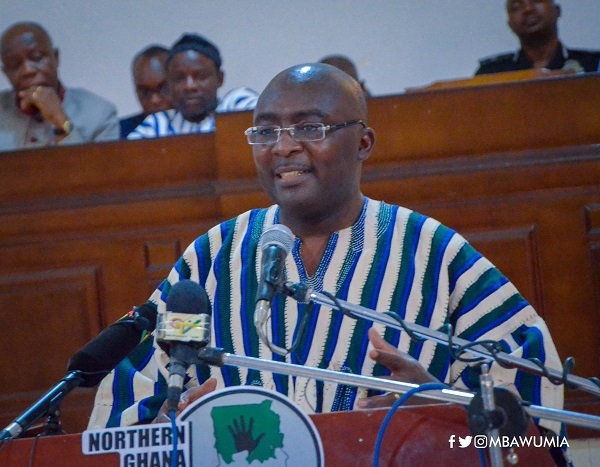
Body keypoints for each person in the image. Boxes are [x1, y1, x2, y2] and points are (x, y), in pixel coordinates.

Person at [89, 64, 564, 445]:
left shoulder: (433, 252)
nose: (284, 147)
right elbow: (130, 409)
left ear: (363, 143)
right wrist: (167, 428)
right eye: (265, 132)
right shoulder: (213, 256)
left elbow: (536, 430)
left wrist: (445, 414)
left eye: (309, 127)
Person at [0, 22, 119, 151]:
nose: (28, 70)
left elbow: (99, 170)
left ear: (56, 58)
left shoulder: (99, 114)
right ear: (5, 72)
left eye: (37, 58)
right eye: (14, 65)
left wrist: (62, 122)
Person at [127, 34, 257, 140]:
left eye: (200, 76)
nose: (189, 86)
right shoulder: (157, 124)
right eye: (179, 78)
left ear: (219, 78)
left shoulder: (237, 103)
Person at [476, 0, 600, 75]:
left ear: (557, 11)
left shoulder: (593, 65)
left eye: (536, 0)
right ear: (510, 25)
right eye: (516, 7)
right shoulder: (491, 73)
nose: (528, 9)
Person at [119, 45, 171, 138]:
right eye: (145, 92)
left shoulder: (200, 127)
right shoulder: (121, 133)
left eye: (163, 89)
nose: (155, 100)